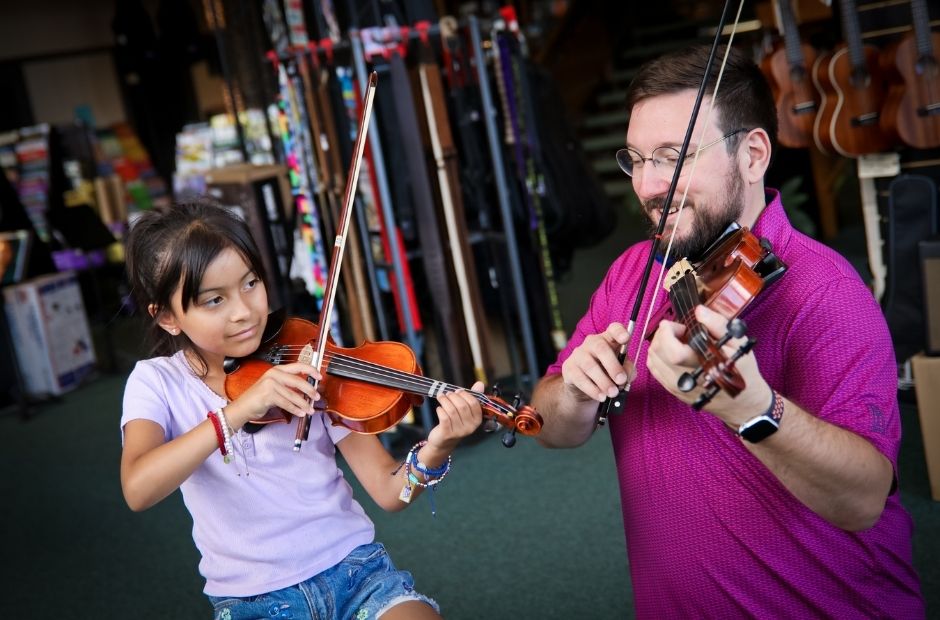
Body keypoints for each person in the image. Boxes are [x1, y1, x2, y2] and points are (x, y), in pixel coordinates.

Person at [532, 44, 924, 618]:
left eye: (672, 156)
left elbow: (864, 497)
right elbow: (550, 426)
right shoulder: (635, 272)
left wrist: (753, 408)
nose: (647, 186)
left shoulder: (825, 290)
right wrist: (572, 390)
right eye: (637, 159)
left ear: (753, 154)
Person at [119, 200, 484, 620]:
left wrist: (436, 449)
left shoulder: (308, 360)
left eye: (251, 283)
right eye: (214, 300)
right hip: (253, 603)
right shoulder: (157, 383)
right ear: (167, 317)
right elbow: (138, 488)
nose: (244, 311)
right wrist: (241, 410)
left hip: (357, 575)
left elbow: (390, 493)